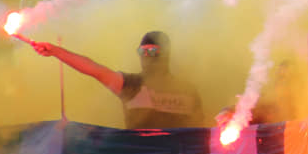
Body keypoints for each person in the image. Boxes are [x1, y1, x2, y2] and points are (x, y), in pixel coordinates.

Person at [30, 31, 204, 129]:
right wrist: (56, 51)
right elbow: (94, 69)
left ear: (165, 54)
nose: (146, 57)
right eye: (142, 52)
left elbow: (200, 131)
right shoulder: (132, 85)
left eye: (152, 52)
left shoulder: (188, 91)